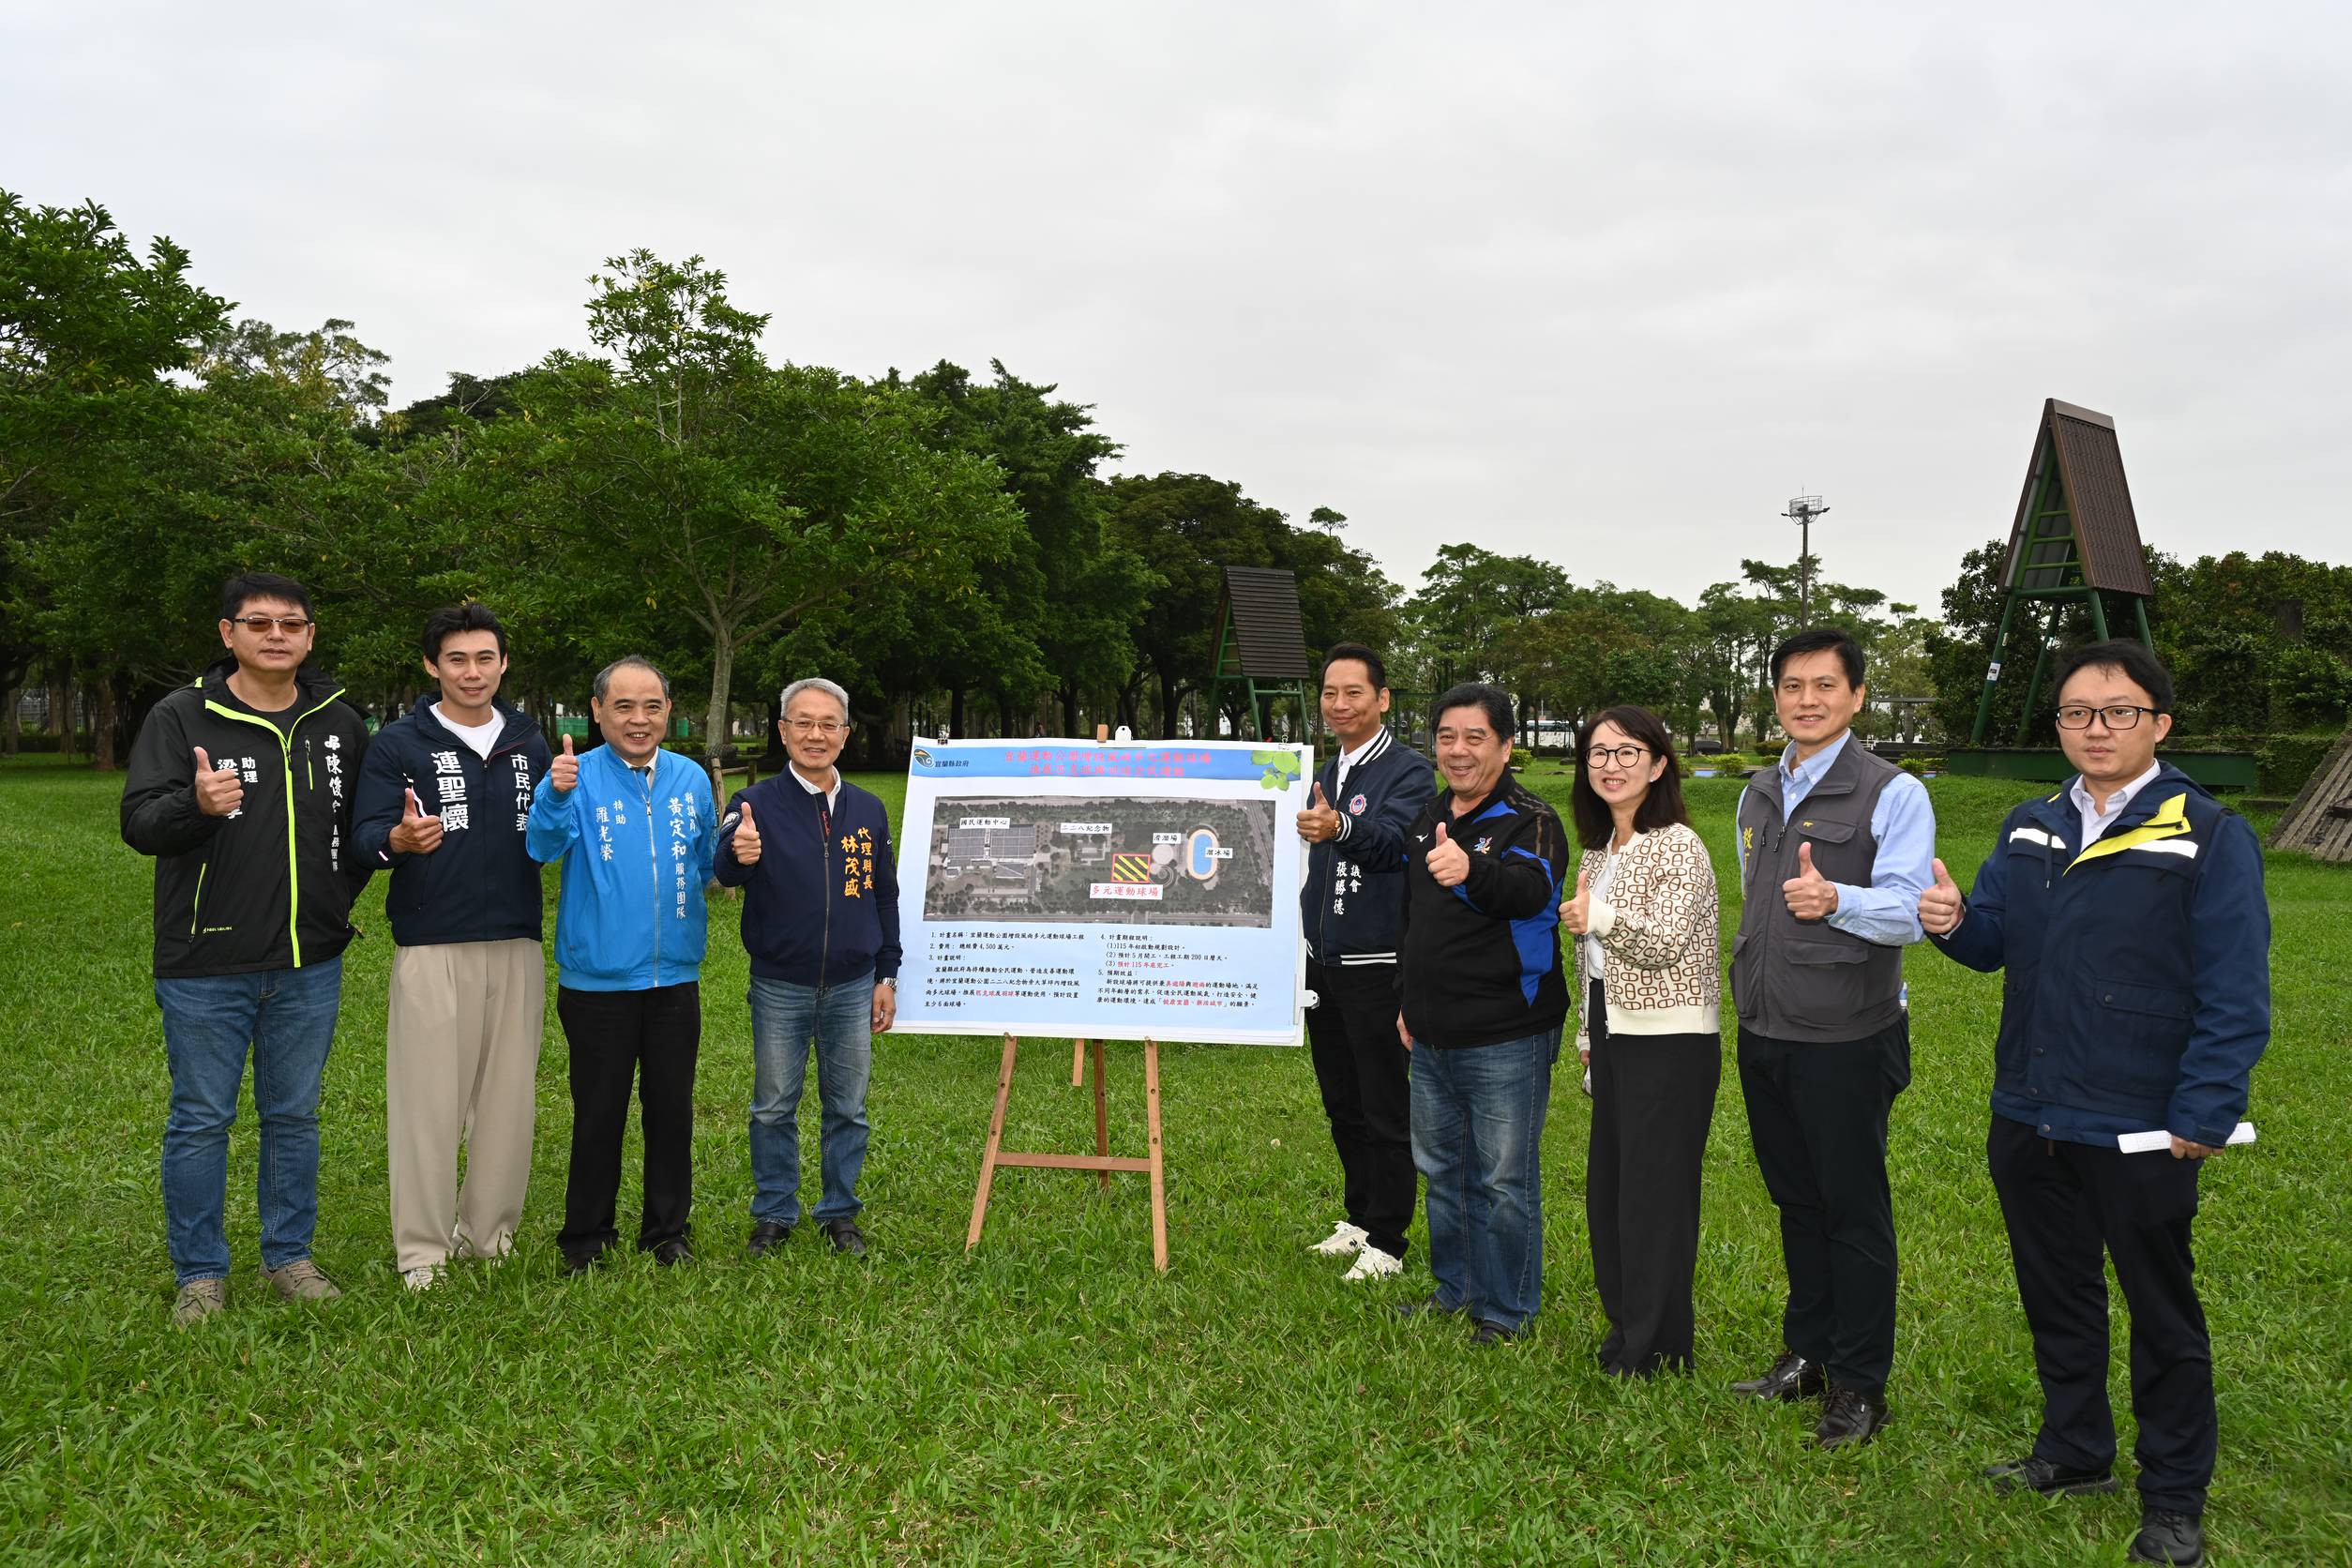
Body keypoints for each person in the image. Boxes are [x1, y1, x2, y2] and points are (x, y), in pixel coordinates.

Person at [1919, 641, 2268, 1568]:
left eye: (2117, 710)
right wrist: (1956, 922)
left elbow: (2236, 993)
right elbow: (1995, 941)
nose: (2095, 727)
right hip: (2031, 1109)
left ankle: (2175, 1497)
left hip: (2142, 1119)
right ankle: (2074, 1453)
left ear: (2159, 722)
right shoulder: (2030, 823)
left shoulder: (2206, 832)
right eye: (2078, 711)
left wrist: (2204, 1107)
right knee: (2058, 1293)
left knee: (2161, 1311)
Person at [120, 572, 373, 1324]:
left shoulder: (338, 723)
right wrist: (194, 807)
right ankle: (200, 1274)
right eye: (257, 622)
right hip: (207, 962)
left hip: (309, 962)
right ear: (227, 633)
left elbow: (357, 831)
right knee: (201, 1117)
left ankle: (288, 1258)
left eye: (290, 624)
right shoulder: (183, 715)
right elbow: (139, 822)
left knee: (294, 1116)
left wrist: (340, 897)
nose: (275, 635)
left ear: (309, 638)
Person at [1727, 626, 1934, 1449]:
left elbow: (1911, 908)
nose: (1805, 701)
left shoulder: (1892, 791)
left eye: (1823, 686)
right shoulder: (1756, 789)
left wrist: (1837, 901)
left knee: (1852, 1210)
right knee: (1795, 1201)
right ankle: (1807, 1354)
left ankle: (1859, 1385)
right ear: (1774, 696)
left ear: (1855, 696)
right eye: (1791, 686)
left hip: (1847, 1036)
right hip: (1765, 1027)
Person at [351, 604, 551, 1289]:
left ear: (503, 665)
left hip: (518, 943)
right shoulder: (400, 743)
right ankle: (423, 1251)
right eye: (457, 660)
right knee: (427, 1104)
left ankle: (488, 1236)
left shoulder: (531, 742)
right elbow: (363, 836)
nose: (473, 672)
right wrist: (398, 841)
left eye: (485, 659)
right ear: (432, 665)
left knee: (508, 1100)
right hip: (433, 945)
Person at [525, 656, 717, 1271]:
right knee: (598, 1115)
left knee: (672, 1112)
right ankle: (584, 1238)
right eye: (624, 707)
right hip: (597, 984)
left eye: (652, 706)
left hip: (674, 980)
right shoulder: (572, 776)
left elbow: (709, 864)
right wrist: (555, 796)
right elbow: (540, 846)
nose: (639, 719)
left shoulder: (690, 780)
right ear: (598, 711)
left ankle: (667, 1233)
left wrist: (742, 852)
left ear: (668, 712)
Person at [1392, 684, 1570, 1345]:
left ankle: (1509, 1310)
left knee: (1502, 1177)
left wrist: (1469, 870)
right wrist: (1407, 1003)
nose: (1458, 751)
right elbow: (1414, 921)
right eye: (1446, 737)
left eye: (1474, 738)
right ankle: (1456, 1290)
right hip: (1431, 1031)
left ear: (1506, 744)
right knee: (1442, 1170)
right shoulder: (1428, 812)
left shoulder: (1532, 820)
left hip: (1507, 1032)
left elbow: (1529, 893)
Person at [1559, 705, 1720, 1378]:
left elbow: (1661, 943)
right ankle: (1629, 1328)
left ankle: (1657, 1348)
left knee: (1654, 1199)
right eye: (1599, 753)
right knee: (1613, 1193)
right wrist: (1590, 1035)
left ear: (1658, 765)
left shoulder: (1677, 844)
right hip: (1616, 1030)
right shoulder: (1602, 850)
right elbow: (1593, 961)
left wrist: (1596, 915)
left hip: (1671, 1040)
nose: (1612, 765)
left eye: (1628, 753)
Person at [713, 677, 899, 1259]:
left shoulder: (868, 809)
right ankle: (774, 1213)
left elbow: (884, 896)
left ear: (844, 735)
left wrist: (885, 974)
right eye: (804, 722)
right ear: (784, 730)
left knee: (849, 1107)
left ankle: (839, 1212)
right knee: (773, 1106)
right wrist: (738, 854)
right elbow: (726, 868)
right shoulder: (753, 805)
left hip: (851, 984)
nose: (815, 735)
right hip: (779, 985)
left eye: (828, 725)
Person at [1294, 642, 1435, 1283]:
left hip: (1378, 963)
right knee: (1342, 1099)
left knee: (1383, 1103)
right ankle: (1358, 1217)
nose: (1340, 704)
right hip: (1324, 963)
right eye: (1330, 693)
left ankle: (1390, 1239)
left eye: (1354, 692)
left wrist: (1340, 831)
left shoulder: (1407, 771)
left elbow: (1398, 844)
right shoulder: (1326, 767)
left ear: (1382, 699)